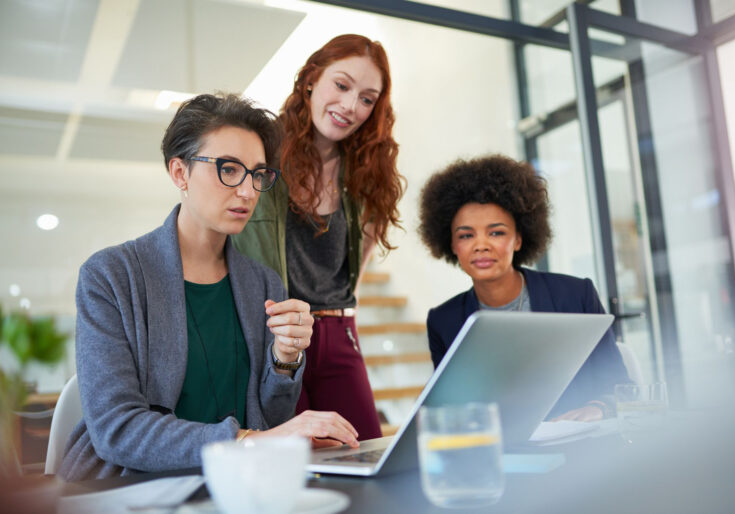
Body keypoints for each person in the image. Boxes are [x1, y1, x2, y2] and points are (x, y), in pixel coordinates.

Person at [60, 93, 359, 482]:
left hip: (235, 485)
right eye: (229, 169)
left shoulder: (263, 282)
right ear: (180, 173)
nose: (249, 191)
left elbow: (272, 418)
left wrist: (285, 359)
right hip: (129, 485)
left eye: (257, 174)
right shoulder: (111, 277)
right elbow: (117, 431)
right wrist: (251, 440)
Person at [233, 34, 403, 440]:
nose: (350, 106)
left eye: (367, 98)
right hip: (276, 335)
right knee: (300, 462)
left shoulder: (366, 169)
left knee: (365, 449)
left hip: (339, 334)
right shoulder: (260, 152)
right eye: (341, 85)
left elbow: (359, 256)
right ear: (311, 80)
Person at [418, 154, 630, 421]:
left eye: (496, 232)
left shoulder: (575, 296)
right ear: (452, 245)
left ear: (519, 239)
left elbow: (620, 386)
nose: (481, 245)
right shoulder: (444, 321)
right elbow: (452, 409)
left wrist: (599, 407)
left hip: (579, 447)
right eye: (466, 235)